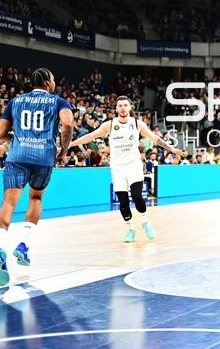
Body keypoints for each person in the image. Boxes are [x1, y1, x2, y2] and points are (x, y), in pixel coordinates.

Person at [0, 68, 74, 286]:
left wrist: (18, 138)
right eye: (54, 79)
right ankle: (23, 246)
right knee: (35, 198)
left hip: (17, 156)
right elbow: (67, 124)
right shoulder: (58, 102)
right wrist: (63, 151)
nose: (55, 82)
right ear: (47, 82)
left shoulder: (15, 101)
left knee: (8, 204)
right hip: (43, 157)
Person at [70, 96, 184, 243]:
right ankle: (130, 229)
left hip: (134, 165)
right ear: (116, 109)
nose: (123, 108)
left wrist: (172, 149)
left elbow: (155, 138)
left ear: (130, 108)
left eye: (125, 105)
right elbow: (90, 136)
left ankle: (145, 222)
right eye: (120, 106)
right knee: (123, 202)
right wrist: (71, 144)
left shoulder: (137, 124)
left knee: (137, 196)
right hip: (117, 168)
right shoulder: (109, 125)